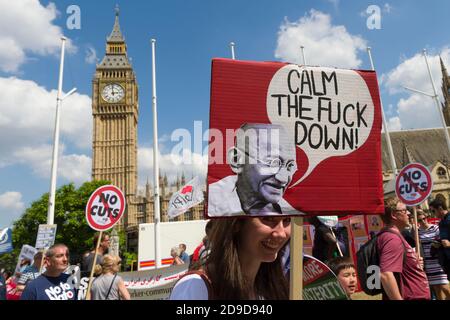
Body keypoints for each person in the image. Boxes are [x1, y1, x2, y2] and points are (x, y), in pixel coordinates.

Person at [170, 216, 291, 300]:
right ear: (237, 223)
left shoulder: (271, 289)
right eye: (268, 219)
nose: (281, 233)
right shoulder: (195, 286)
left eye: (287, 220)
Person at [208, 123, 304, 216]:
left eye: (290, 166)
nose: (283, 179)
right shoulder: (212, 204)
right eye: (273, 162)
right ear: (236, 160)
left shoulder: (293, 214)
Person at [378, 197, 430, 300]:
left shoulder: (395, 235)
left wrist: (414, 263)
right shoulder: (392, 238)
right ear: (393, 215)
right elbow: (385, 274)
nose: (409, 213)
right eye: (404, 210)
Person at [417, 210, 450, 300]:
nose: (423, 221)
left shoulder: (435, 228)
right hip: (428, 263)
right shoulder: (417, 232)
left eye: (424, 218)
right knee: (437, 290)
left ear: (427, 217)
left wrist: (436, 244)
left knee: (446, 288)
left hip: (438, 261)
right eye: (420, 220)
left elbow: (441, 241)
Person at [429, 198, 450, 279]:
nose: (432, 214)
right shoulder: (441, 222)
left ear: (440, 208)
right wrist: (437, 243)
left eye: (433, 211)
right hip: (447, 261)